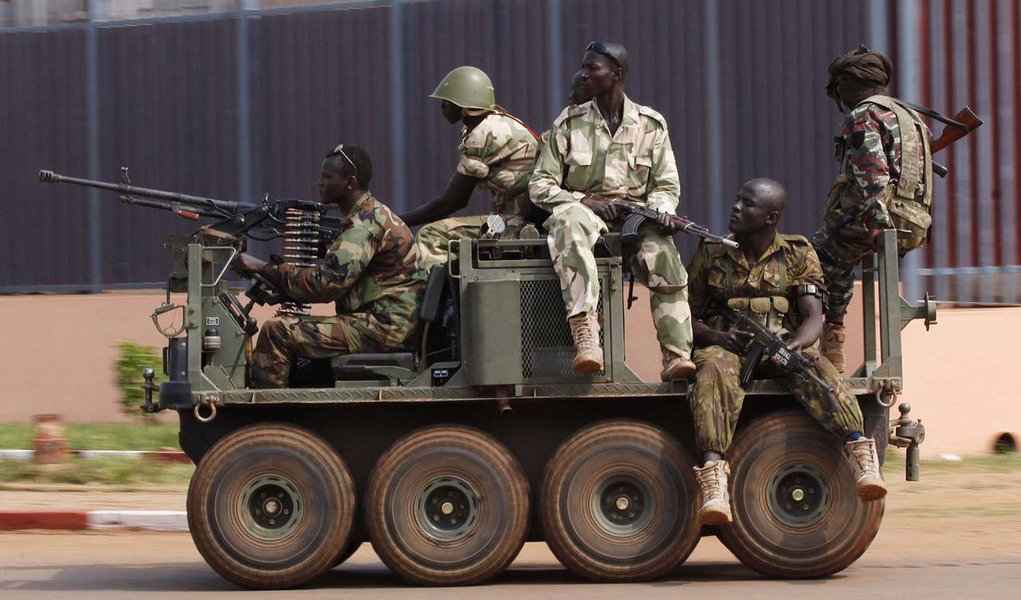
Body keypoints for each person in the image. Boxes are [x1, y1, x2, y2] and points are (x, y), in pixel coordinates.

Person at [687, 178, 886, 526]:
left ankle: (860, 454)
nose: (735, 207)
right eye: (737, 199)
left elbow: (812, 317)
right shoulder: (711, 252)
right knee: (712, 370)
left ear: (770, 217)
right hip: (728, 348)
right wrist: (717, 336)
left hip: (779, 347)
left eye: (747, 204)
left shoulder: (797, 253)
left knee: (816, 370)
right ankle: (714, 479)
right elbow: (684, 317)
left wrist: (796, 345)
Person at [529, 41, 695, 381]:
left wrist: (662, 211)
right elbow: (540, 185)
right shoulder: (569, 124)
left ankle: (676, 355)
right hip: (587, 214)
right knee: (568, 223)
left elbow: (666, 185)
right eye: (584, 67)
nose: (583, 74)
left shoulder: (651, 125)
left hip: (637, 217)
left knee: (664, 256)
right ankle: (587, 337)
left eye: (593, 68)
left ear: (616, 75)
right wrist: (582, 201)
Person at [232, 144, 426, 388]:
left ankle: (270, 417)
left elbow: (325, 286)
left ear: (350, 183)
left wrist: (262, 267)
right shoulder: (370, 215)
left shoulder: (363, 226)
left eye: (327, 177)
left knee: (277, 332)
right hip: (386, 323)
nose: (319, 183)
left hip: (383, 329)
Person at [812, 44, 934, 374]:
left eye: (839, 87)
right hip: (915, 222)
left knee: (807, 258)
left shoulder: (864, 115)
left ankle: (827, 339)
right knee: (834, 251)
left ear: (850, 83)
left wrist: (878, 222)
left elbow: (872, 171)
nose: (839, 95)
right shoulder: (909, 116)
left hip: (883, 220)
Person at [401, 66, 540, 269]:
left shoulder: (485, 133)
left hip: (518, 220)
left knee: (432, 235)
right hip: (520, 216)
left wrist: (397, 222)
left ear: (465, 105)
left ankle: (447, 301)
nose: (442, 107)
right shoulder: (495, 123)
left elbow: (453, 201)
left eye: (447, 102)